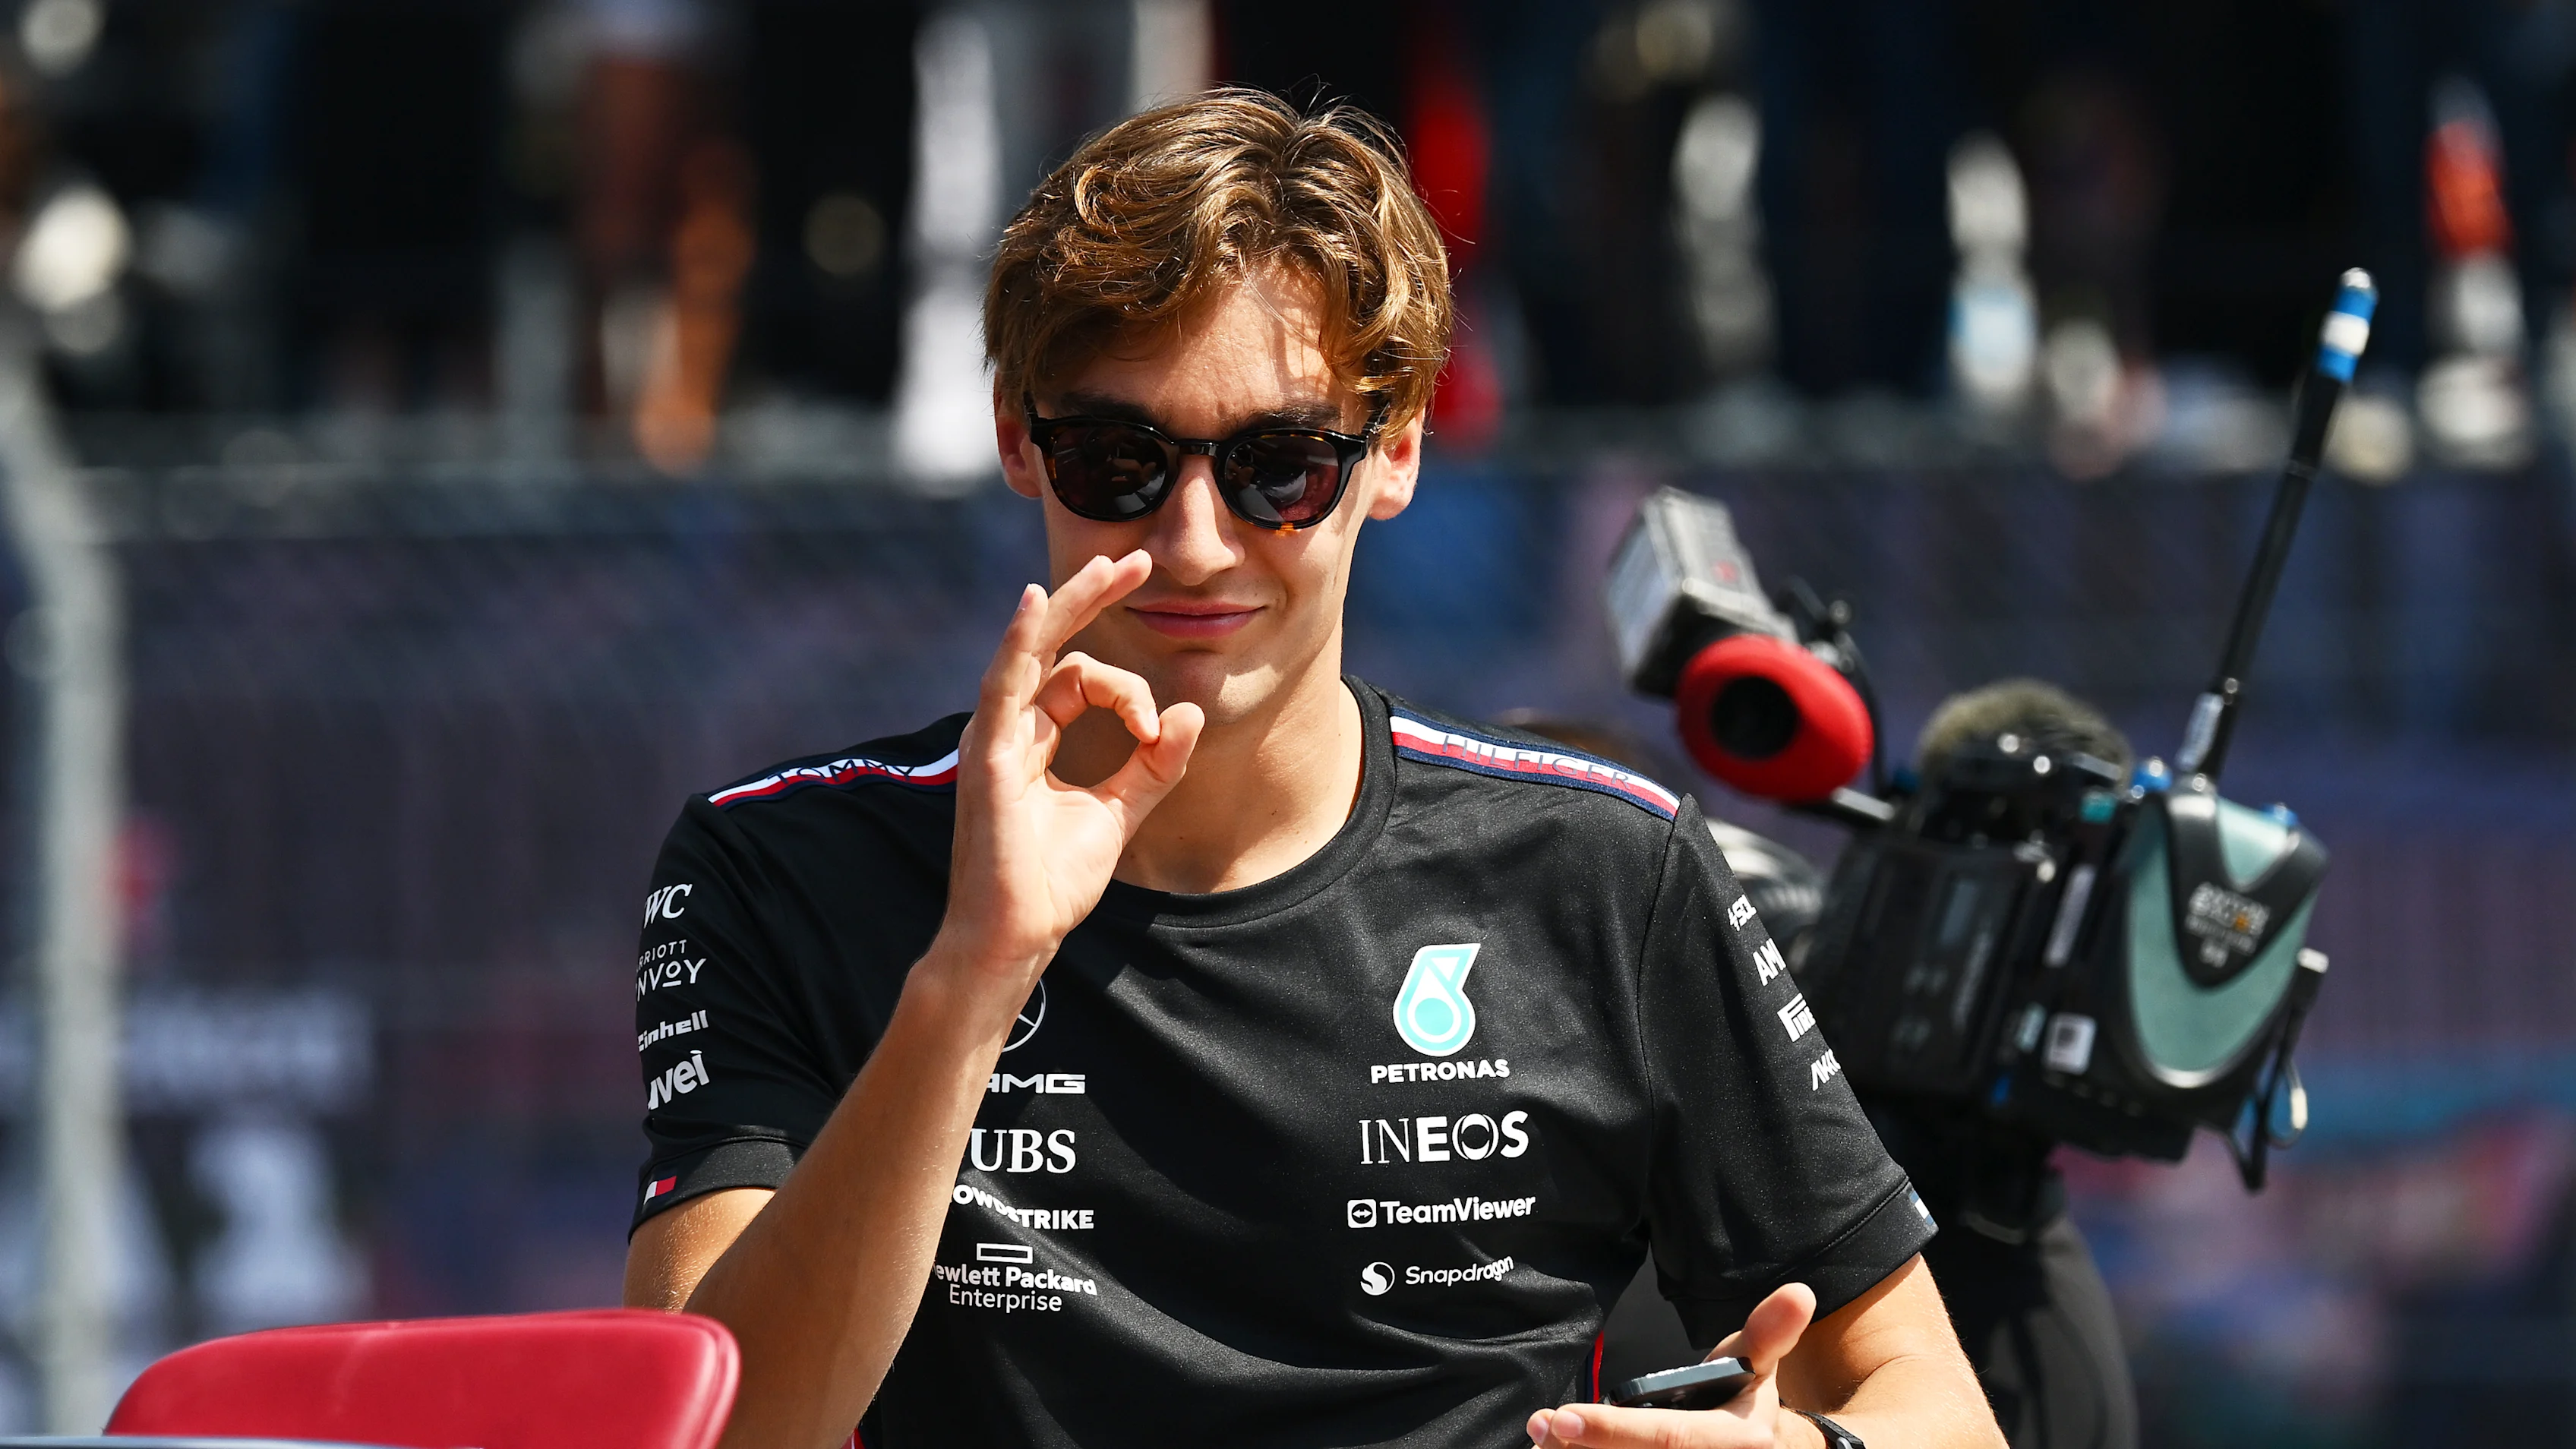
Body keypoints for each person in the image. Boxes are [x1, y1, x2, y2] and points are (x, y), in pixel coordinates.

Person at [619, 89, 2003, 1449]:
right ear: (1016, 441)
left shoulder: (1607, 869)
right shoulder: (778, 867)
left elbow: (1936, 1406)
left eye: (1280, 466)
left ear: (1394, 450)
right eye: (1118, 459)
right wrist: (976, 971)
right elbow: (714, 1434)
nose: (1196, 540)